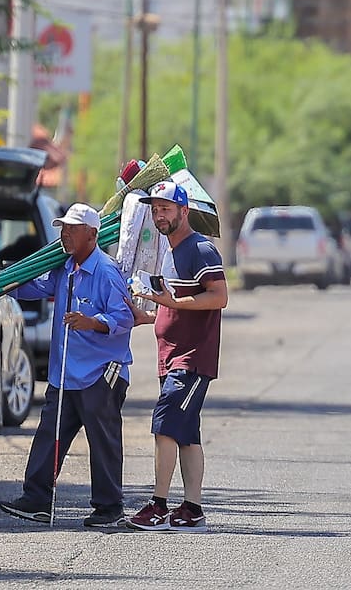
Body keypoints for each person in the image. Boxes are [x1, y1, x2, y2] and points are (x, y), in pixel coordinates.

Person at [0, 202, 136, 528]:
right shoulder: (64, 268)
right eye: (63, 228)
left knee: (103, 442)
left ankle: (109, 508)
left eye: (72, 229)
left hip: (100, 373)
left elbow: (125, 318)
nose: (64, 234)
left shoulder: (106, 272)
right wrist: (1, 281)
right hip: (65, 372)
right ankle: (37, 499)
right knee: (49, 434)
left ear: (92, 235)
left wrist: (92, 322)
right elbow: (32, 288)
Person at [125, 180, 227, 533]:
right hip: (170, 357)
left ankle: (158, 505)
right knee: (186, 433)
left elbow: (218, 296)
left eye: (166, 208)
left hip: (192, 357)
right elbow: (179, 304)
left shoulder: (199, 249)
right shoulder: (169, 251)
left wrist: (169, 302)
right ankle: (193, 509)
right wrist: (150, 315)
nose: (159, 215)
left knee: (164, 424)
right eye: (155, 209)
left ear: (185, 211)